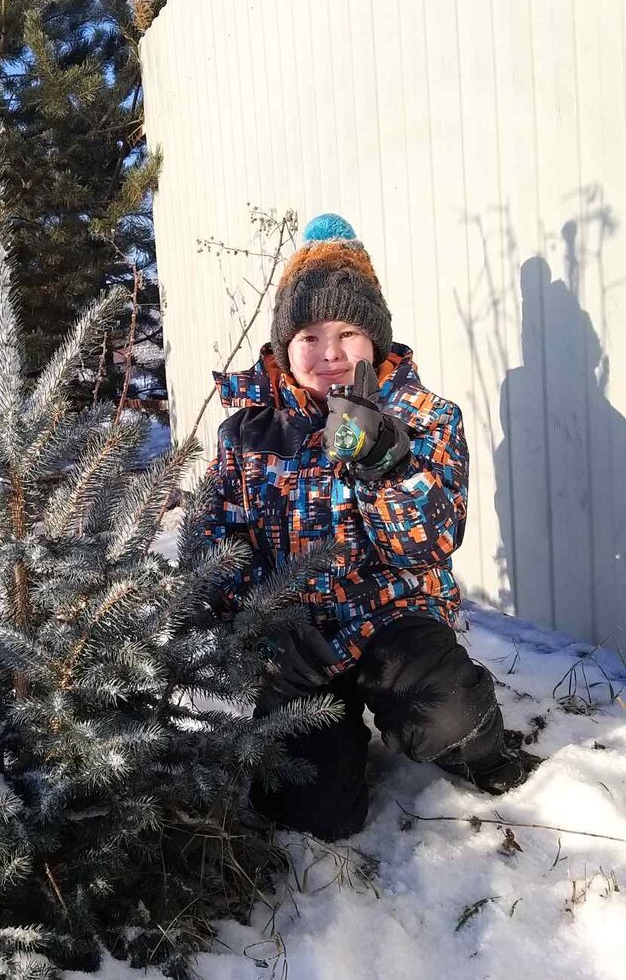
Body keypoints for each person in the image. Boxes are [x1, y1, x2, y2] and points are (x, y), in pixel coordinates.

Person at [203, 213, 539, 842]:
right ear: (282, 346)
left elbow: (432, 541)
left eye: (347, 331)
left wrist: (387, 460)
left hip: (396, 620)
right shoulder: (245, 434)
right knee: (311, 813)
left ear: (375, 339)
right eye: (307, 334)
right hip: (302, 643)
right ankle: (336, 739)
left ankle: (486, 751)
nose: (328, 353)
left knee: (447, 717)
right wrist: (264, 633)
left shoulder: (427, 417)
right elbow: (215, 549)